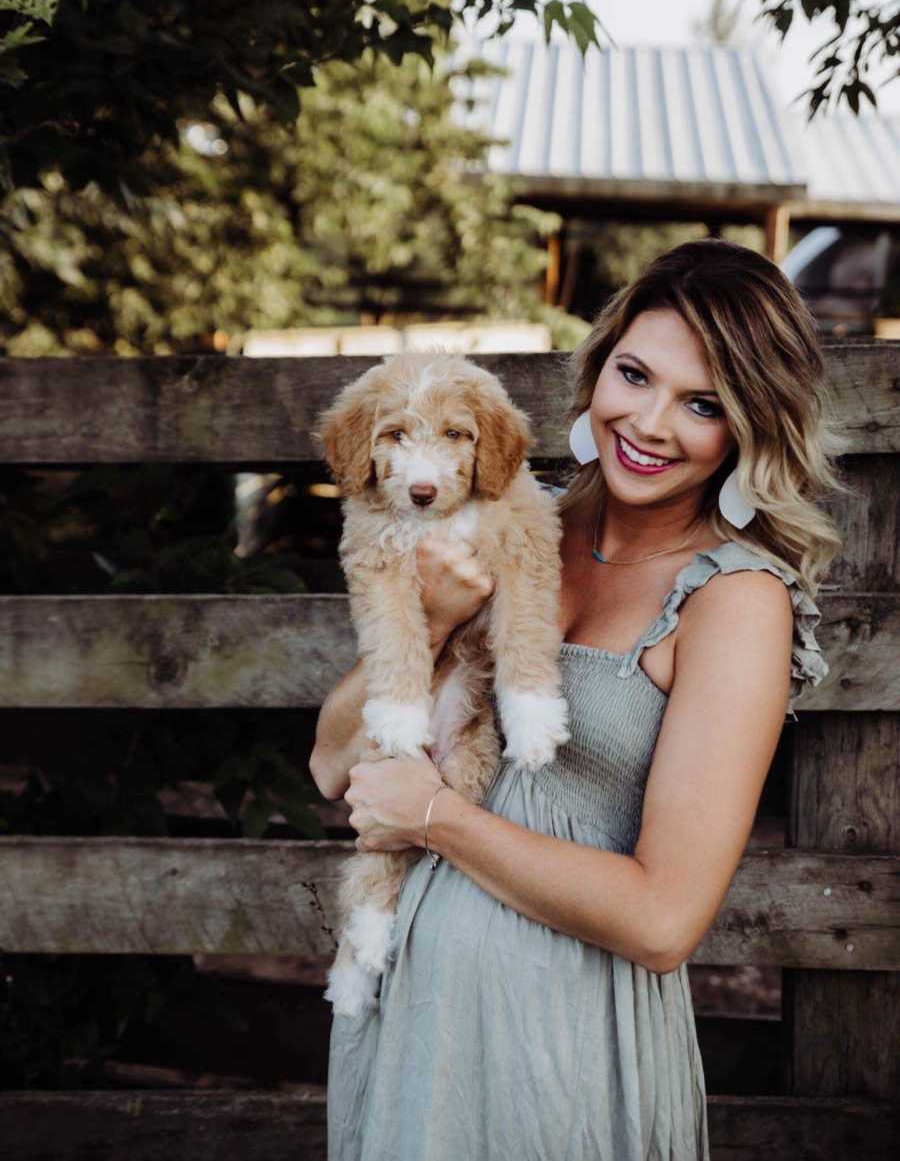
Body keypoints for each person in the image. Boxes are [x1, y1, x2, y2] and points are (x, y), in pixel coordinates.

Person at [309, 240, 843, 1161]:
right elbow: (329, 766)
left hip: (558, 1052)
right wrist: (433, 617)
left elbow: (663, 920)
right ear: (598, 369)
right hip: (409, 1024)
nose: (651, 422)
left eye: (704, 404)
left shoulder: (733, 602)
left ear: (750, 427)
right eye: (634, 375)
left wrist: (438, 818)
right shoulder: (506, 523)